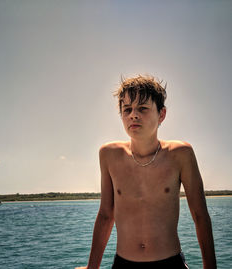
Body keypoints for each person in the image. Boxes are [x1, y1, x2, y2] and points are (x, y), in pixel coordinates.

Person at [75, 75, 216, 269]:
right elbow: (106, 214)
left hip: (170, 262)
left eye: (142, 108)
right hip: (124, 263)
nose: (133, 115)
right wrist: (92, 267)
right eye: (127, 110)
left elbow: (200, 215)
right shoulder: (109, 155)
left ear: (162, 115)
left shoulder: (180, 154)